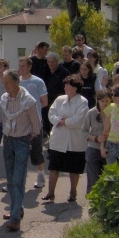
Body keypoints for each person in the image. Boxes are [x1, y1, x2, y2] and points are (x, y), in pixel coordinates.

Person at [0, 70, 42, 231]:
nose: (5, 86)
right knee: (10, 179)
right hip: (8, 140)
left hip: (22, 142)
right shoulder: (4, 99)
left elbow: (36, 126)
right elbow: (4, 119)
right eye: (4, 83)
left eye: (8, 83)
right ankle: (17, 208)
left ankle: (15, 217)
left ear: (17, 82)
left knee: (18, 179)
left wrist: (26, 139)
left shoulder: (28, 101)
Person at [42, 75, 88, 203]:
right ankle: (50, 193)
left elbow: (79, 121)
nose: (66, 88)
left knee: (74, 169)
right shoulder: (59, 99)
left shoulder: (82, 101)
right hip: (58, 140)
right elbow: (51, 114)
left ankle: (73, 192)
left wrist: (63, 121)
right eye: (65, 85)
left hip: (75, 141)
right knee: (54, 167)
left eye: (69, 85)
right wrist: (60, 120)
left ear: (75, 88)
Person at [18, 57, 48, 189]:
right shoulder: (16, 81)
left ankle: (41, 174)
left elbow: (44, 102)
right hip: (19, 124)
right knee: (18, 153)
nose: (21, 68)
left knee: (36, 152)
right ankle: (17, 181)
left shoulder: (37, 81)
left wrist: (33, 115)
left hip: (35, 123)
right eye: (19, 65)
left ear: (29, 67)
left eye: (23, 66)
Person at [82, 89, 112, 193]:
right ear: (98, 101)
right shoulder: (91, 113)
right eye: (102, 101)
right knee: (93, 178)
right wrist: (95, 138)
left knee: (108, 178)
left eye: (107, 100)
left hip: (110, 148)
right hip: (93, 148)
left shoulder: (114, 112)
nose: (105, 103)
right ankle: (92, 200)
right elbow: (84, 131)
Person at [43, 52, 70, 136]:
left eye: (52, 62)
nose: (50, 64)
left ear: (57, 61)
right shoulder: (45, 71)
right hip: (46, 102)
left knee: (56, 124)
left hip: (59, 102)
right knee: (46, 122)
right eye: (49, 62)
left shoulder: (64, 73)